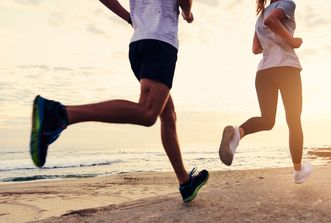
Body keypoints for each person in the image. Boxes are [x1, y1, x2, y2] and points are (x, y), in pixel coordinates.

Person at [29, 0, 209, 202]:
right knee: (148, 112)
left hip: (138, 43)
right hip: (161, 41)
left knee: (168, 115)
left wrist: (129, 17)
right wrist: (187, 14)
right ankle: (60, 114)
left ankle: (185, 182)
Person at [218, 0, 312, 184]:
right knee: (294, 119)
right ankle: (298, 171)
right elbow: (271, 21)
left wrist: (272, 43)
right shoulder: (286, 4)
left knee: (267, 120)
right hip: (286, 69)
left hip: (264, 72)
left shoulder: (260, 14)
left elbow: (255, 48)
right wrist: (291, 40)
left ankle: (238, 133)